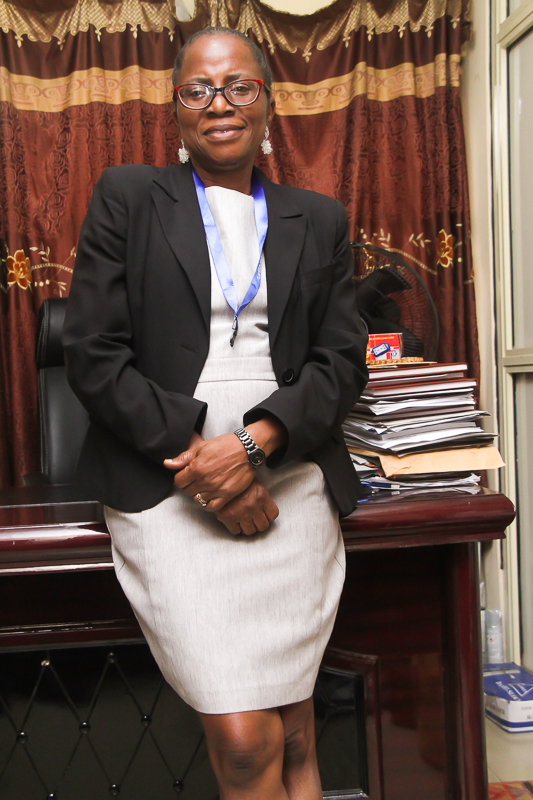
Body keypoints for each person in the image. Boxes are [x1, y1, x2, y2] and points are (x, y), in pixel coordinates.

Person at [63, 26, 368, 800]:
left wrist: (254, 446)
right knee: (241, 741)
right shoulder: (129, 196)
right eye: (197, 89)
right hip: (162, 473)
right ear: (176, 109)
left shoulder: (318, 218)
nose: (219, 104)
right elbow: (93, 352)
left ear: (267, 103)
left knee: (292, 730)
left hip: (290, 469)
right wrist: (206, 467)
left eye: (238, 86)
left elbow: (341, 362)